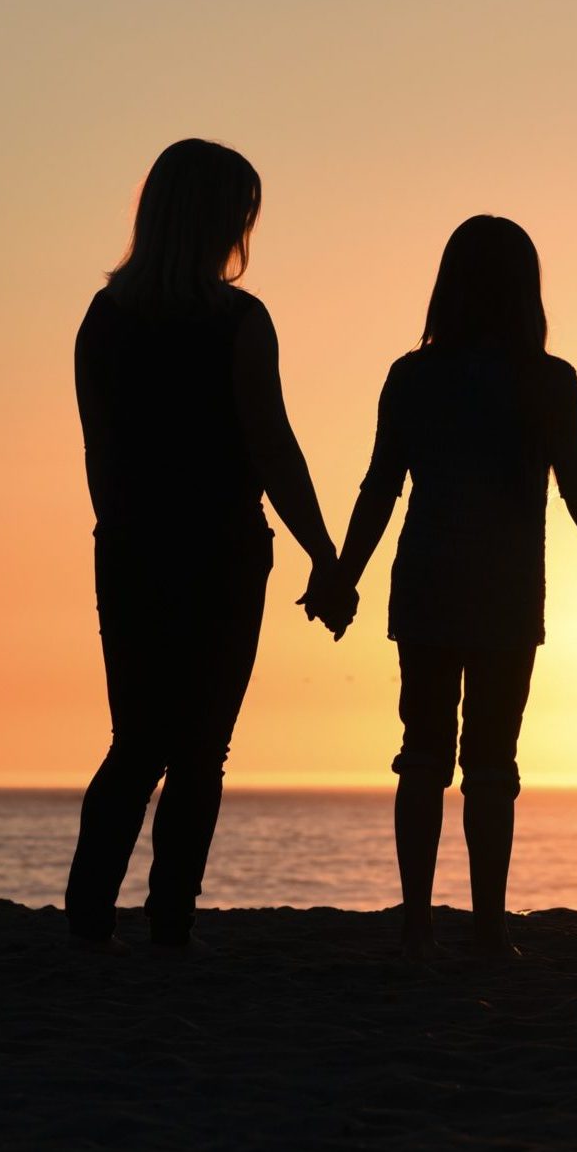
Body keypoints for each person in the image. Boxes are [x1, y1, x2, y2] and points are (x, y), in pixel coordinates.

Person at [310, 216, 577, 962]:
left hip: (429, 587)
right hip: (505, 594)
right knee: (492, 765)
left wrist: (344, 577)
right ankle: (489, 928)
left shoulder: (413, 377)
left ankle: (417, 925)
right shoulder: (547, 380)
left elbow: (380, 490)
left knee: (423, 755)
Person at [66, 139, 350, 953]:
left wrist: (121, 533)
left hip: (132, 550)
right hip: (220, 551)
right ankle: (167, 925)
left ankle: (94, 920)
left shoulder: (106, 319)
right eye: (239, 209)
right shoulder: (236, 321)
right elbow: (272, 448)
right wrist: (323, 555)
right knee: (195, 750)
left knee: (140, 743)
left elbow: (100, 452)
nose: (243, 225)